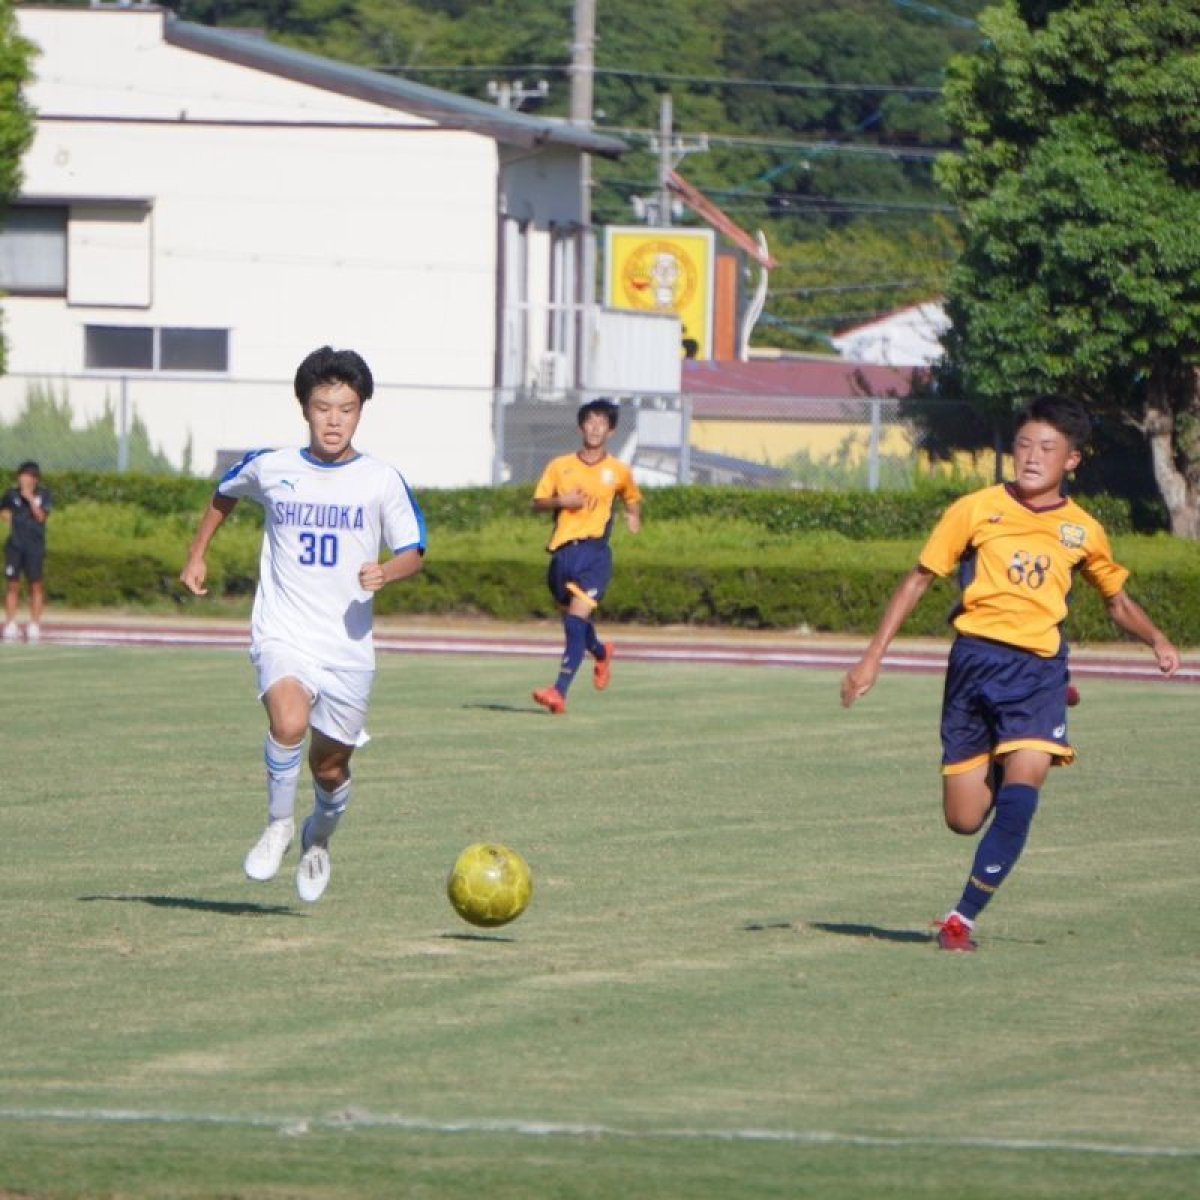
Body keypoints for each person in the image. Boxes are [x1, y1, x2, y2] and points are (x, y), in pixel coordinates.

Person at [840, 395, 1180, 952]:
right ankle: (1007, 752)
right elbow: (918, 580)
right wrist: (872, 655)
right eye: (1024, 444)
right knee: (964, 819)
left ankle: (961, 919)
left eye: (1047, 448)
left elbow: (1116, 601)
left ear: (1072, 460)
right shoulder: (974, 509)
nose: (1031, 456)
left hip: (1038, 673)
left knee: (1023, 793)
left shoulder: (1082, 530)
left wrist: (1158, 639)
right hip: (973, 665)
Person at [180, 346, 426, 903]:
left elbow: (414, 550)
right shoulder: (272, 467)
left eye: (346, 408)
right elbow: (224, 493)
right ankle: (277, 825)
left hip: (347, 649)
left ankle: (318, 837)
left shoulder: (381, 480)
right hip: (283, 631)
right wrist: (198, 554)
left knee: (331, 767)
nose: (334, 419)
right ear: (304, 409)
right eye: (322, 407)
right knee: (288, 721)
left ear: (360, 411)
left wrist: (385, 571)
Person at [531, 398, 643, 715]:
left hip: (595, 553)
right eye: (590, 421)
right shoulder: (560, 465)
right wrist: (560, 501)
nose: (595, 428)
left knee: (575, 619)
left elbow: (632, 498)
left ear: (611, 431)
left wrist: (633, 516)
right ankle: (600, 651)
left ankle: (559, 691)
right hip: (562, 553)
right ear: (582, 426)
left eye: (602, 423)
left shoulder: (618, 471)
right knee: (575, 621)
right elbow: (538, 501)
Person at [2, 460, 52, 644]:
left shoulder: (44, 495)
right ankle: (10, 623)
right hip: (15, 546)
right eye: (23, 476)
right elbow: (5, 513)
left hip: (35, 547)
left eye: (30, 476)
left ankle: (34, 624)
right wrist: (7, 515)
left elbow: (41, 517)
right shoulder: (11, 494)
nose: (25, 479)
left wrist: (30, 499)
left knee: (36, 585)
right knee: (12, 584)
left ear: (36, 480)